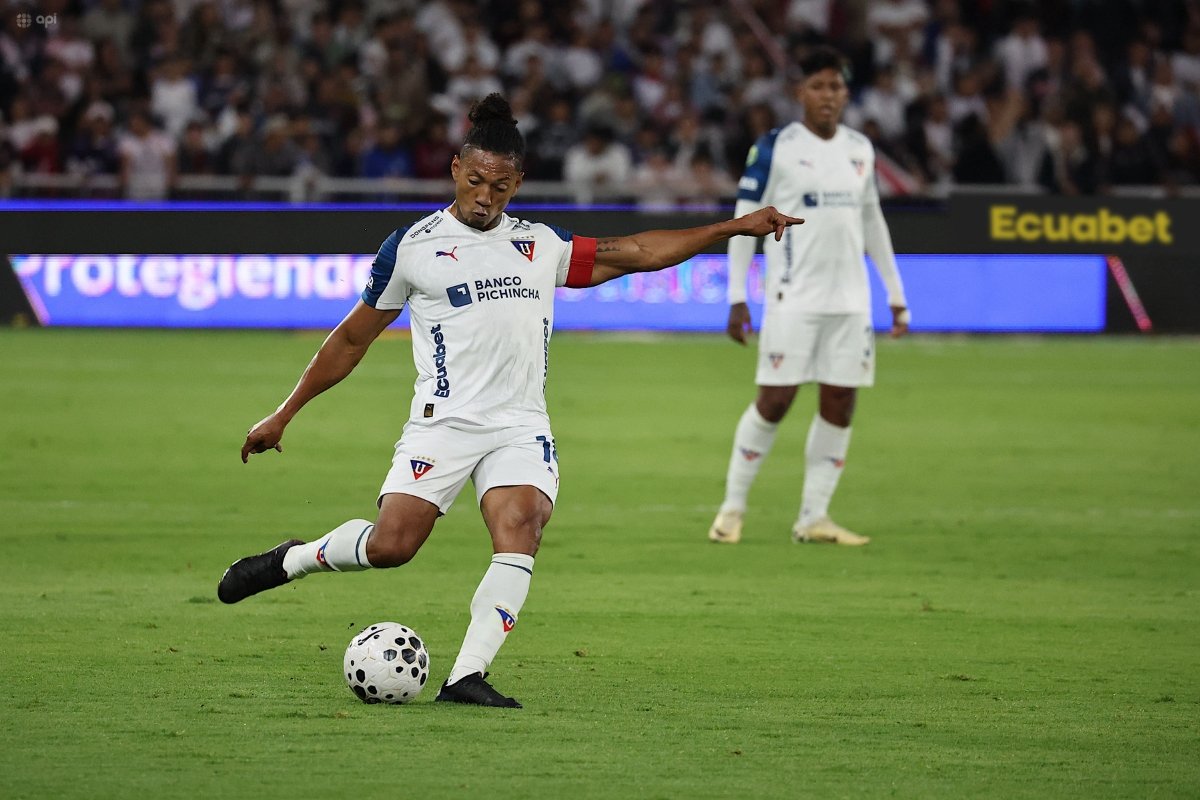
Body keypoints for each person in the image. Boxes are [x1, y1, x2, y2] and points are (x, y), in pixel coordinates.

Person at [218, 94, 802, 708]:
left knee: (521, 526)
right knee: (392, 547)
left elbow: (637, 252)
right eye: (474, 181)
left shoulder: (540, 244)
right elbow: (351, 339)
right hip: (444, 424)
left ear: (517, 183)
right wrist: (284, 413)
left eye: (499, 186)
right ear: (455, 169)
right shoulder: (412, 247)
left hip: (520, 425)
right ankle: (295, 558)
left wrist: (730, 228)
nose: (485, 197)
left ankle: (466, 676)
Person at [707, 47, 910, 548]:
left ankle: (814, 517)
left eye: (835, 86)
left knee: (840, 403)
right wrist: (737, 295)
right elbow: (743, 220)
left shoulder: (860, 148)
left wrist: (895, 294)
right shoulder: (774, 147)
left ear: (846, 93)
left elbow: (872, 221)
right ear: (800, 92)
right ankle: (732, 509)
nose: (827, 96)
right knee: (775, 400)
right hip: (792, 297)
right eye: (817, 86)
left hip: (851, 302)